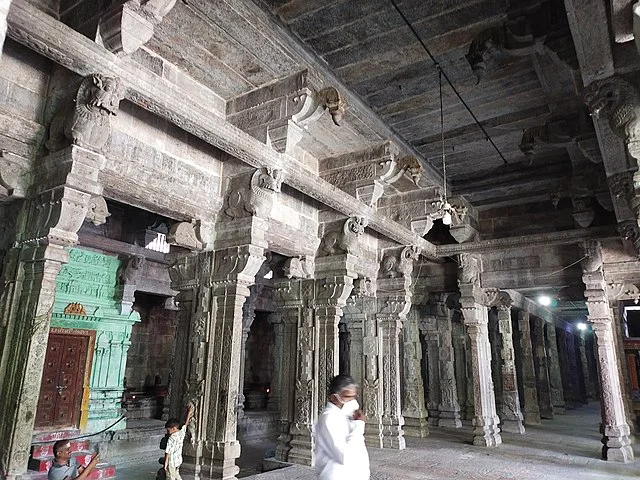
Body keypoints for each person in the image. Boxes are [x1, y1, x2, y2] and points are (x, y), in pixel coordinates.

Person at [315, 374, 370, 480]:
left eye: (354, 396)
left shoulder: (348, 410)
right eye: (347, 397)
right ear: (333, 397)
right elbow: (344, 457)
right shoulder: (329, 418)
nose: (352, 400)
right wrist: (359, 425)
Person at [164, 403, 194, 480]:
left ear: (173, 429)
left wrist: (165, 463)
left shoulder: (171, 438)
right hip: (178, 460)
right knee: (176, 474)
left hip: (172, 462)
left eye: (168, 430)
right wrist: (189, 413)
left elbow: (168, 451)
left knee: (170, 477)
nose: (168, 432)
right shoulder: (181, 432)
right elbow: (186, 423)